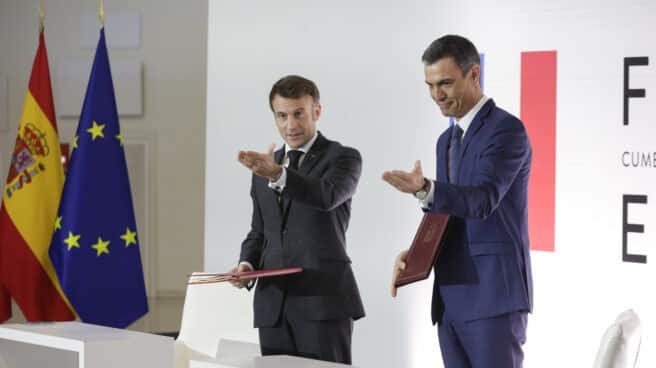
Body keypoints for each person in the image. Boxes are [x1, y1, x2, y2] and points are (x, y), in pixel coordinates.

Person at [383, 35, 533, 367]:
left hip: (492, 297)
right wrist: (418, 254)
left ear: (474, 75)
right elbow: (448, 213)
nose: (437, 95)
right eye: (430, 85)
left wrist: (426, 188)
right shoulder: (446, 140)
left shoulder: (507, 131)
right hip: (450, 298)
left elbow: (482, 200)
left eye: (446, 83)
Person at [231, 75, 365, 365]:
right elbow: (260, 231)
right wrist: (247, 264)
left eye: (298, 114)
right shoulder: (263, 168)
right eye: (282, 115)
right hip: (273, 307)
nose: (290, 125)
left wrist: (278, 175)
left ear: (316, 111)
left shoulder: (344, 158)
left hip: (323, 302)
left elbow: (326, 196)